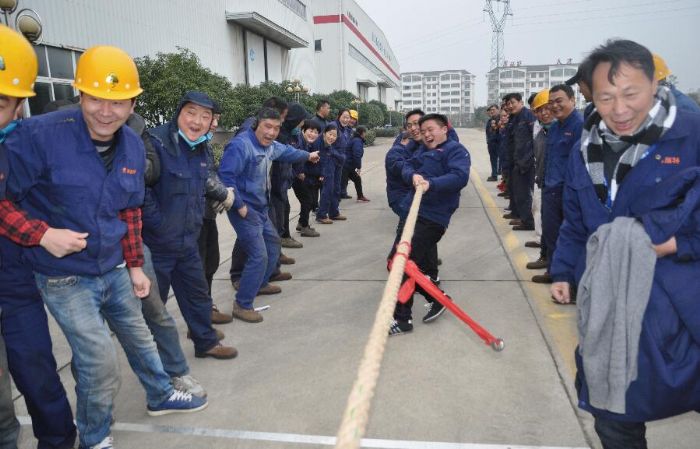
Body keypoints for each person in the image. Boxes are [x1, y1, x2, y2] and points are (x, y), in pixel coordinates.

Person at [5, 45, 207, 449]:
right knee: (99, 362)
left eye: (117, 102)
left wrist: (134, 266)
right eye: (95, 98)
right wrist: (42, 233)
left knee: (140, 334)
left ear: (132, 102)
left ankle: (159, 393)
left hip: (113, 266)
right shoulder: (39, 136)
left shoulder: (132, 145)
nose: (105, 111)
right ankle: (95, 437)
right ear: (80, 95)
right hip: (64, 277)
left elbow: (129, 211)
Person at [550, 38, 700, 449]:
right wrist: (563, 270)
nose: (619, 109)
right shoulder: (586, 148)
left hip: (684, 308)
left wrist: (676, 245)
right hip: (611, 311)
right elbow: (576, 222)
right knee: (614, 416)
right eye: (605, 96)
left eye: (630, 93)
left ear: (655, 83)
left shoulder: (690, 137)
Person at [0, 25, 76, 449]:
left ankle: (59, 441)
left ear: (16, 108)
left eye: (0, 101)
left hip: (16, 284)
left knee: (38, 374)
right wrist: (42, 234)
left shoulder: (27, 145)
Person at [143, 91, 237, 360]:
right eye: (191, 113)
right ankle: (155, 359)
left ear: (212, 122)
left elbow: (202, 184)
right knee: (153, 307)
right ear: (179, 113)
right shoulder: (156, 142)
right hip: (156, 244)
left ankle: (205, 342)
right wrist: (158, 225)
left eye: (205, 116)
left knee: (198, 296)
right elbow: (141, 190)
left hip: (187, 240)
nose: (197, 121)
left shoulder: (201, 147)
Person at [219, 108, 320, 323]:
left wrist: (308, 155)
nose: (272, 132)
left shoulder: (271, 146)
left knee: (273, 245)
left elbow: (287, 152)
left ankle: (260, 283)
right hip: (244, 210)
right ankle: (242, 303)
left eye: (276, 128)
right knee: (259, 255)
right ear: (257, 125)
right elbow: (226, 177)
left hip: (260, 208)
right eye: (267, 126)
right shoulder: (241, 145)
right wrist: (239, 205)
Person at [388, 113, 470, 335]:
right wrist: (412, 175)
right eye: (423, 131)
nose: (426, 134)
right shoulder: (423, 151)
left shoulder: (456, 150)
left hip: (432, 218)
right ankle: (437, 298)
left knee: (402, 264)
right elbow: (407, 165)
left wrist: (430, 184)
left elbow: (459, 177)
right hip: (413, 213)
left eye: (430, 129)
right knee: (398, 263)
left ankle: (403, 319)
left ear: (444, 129)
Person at [541, 84, 583, 286]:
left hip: (569, 192)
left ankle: (571, 282)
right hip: (551, 189)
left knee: (569, 237)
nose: (554, 106)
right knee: (551, 234)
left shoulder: (580, 125)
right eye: (551, 102)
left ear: (573, 100)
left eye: (559, 101)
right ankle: (553, 271)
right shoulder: (556, 126)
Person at [525, 90, 554, 279]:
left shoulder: (560, 130)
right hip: (542, 180)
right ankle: (545, 256)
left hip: (555, 185)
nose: (544, 113)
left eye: (546, 109)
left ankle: (553, 265)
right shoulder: (541, 131)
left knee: (554, 227)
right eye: (539, 110)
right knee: (544, 220)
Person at [273, 102, 308, 250]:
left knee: (284, 209)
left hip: (283, 180)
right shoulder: (279, 135)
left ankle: (282, 241)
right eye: (300, 121)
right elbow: (285, 155)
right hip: (275, 182)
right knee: (278, 215)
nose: (302, 124)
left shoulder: (288, 134)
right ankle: (281, 241)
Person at [504, 93, 536, 232]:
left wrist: (529, 159)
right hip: (517, 161)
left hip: (527, 162)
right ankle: (524, 218)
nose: (510, 106)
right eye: (508, 104)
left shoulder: (528, 116)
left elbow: (535, 138)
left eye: (512, 103)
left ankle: (529, 221)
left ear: (520, 102)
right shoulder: (513, 118)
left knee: (528, 194)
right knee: (519, 192)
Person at [291, 119, 323, 237]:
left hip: (300, 175)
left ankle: (301, 223)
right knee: (307, 200)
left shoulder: (306, 143)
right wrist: (299, 172)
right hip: (297, 176)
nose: (313, 134)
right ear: (303, 130)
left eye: (316, 132)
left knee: (308, 201)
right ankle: (304, 226)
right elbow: (295, 156)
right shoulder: (299, 141)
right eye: (310, 131)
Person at [315, 124, 340, 224]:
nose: (332, 137)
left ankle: (333, 213)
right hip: (320, 171)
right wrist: (322, 173)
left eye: (334, 135)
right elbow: (319, 159)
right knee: (326, 192)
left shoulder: (328, 144)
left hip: (328, 169)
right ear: (324, 133)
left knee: (331, 190)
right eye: (330, 134)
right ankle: (321, 215)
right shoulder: (318, 142)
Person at [342, 126, 370, 203]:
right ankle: (330, 205)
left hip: (348, 166)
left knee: (357, 179)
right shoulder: (357, 141)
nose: (365, 134)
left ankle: (360, 196)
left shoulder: (356, 139)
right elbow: (357, 155)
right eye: (365, 132)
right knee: (340, 185)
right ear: (362, 133)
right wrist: (358, 167)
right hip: (345, 165)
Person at [336, 109, 352, 204]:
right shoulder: (333, 127)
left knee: (339, 183)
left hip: (341, 160)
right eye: (344, 117)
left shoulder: (346, 129)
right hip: (333, 160)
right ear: (339, 116)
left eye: (348, 117)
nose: (346, 120)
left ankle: (335, 209)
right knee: (331, 186)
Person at [485, 104, 501, 181]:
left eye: (493, 109)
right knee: (493, 159)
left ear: (498, 110)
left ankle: (495, 175)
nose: (492, 111)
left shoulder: (500, 119)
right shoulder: (491, 120)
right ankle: (495, 173)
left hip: (497, 142)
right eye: (491, 110)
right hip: (491, 143)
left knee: (496, 159)